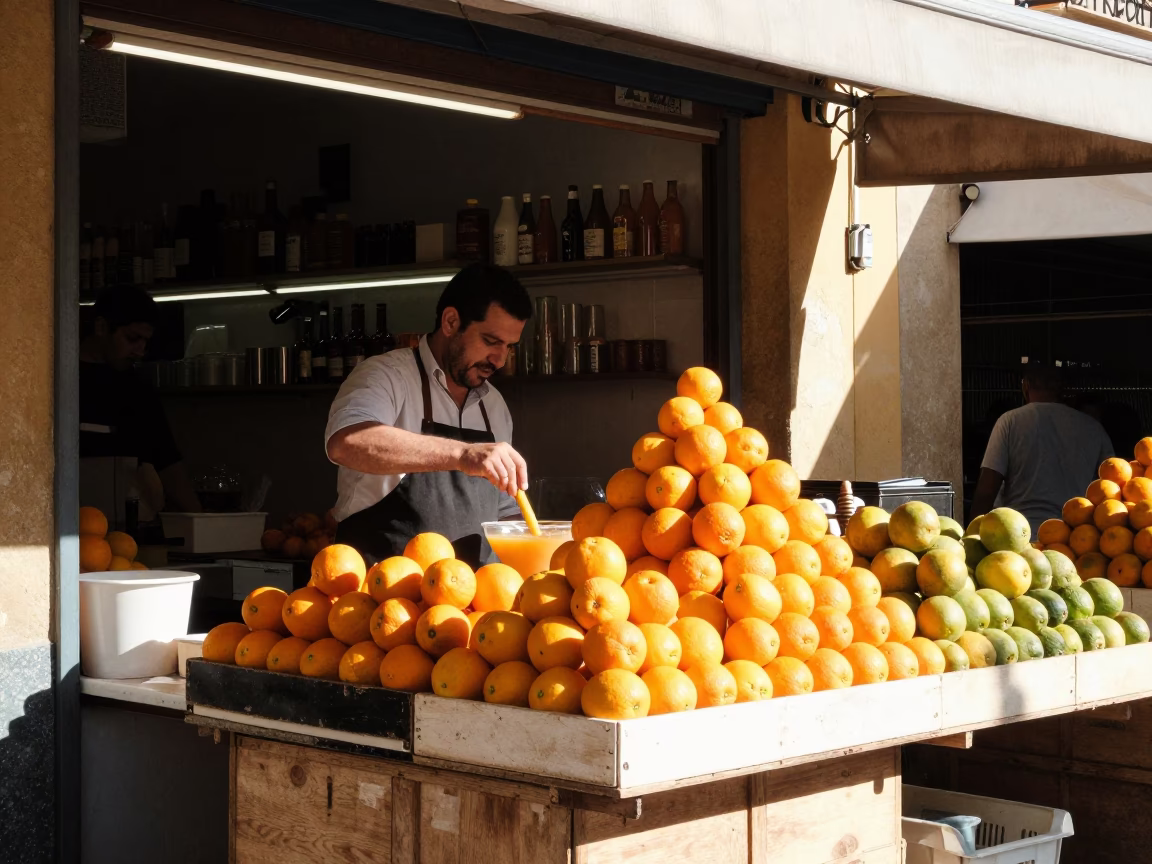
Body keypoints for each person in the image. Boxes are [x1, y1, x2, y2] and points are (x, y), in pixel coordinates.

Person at [325, 264, 533, 568]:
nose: (500, 360)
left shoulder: (494, 405)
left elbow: (505, 511)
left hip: (468, 605)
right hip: (381, 600)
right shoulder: (386, 375)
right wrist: (464, 454)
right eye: (491, 341)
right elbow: (346, 442)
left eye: (509, 347)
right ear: (451, 322)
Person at [80, 285, 201, 513]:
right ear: (101, 327)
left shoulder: (136, 387)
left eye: (145, 342)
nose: (140, 350)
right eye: (132, 338)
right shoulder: (59, 382)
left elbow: (166, 458)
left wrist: (199, 519)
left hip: (129, 523)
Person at [969, 364, 1113, 537]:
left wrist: (971, 535)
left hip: (1018, 537)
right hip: (1074, 538)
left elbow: (987, 489)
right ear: (1062, 388)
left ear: (1026, 385)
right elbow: (1111, 485)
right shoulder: (1093, 428)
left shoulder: (1010, 421)